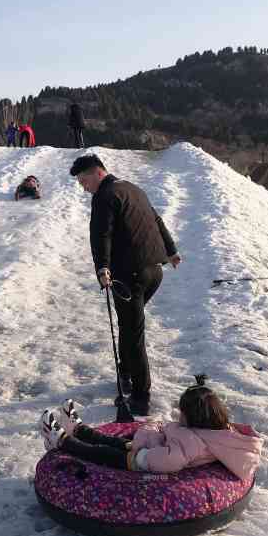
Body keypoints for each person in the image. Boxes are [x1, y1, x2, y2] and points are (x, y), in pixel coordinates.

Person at [70, 153, 181, 415]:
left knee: (133, 333)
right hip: (155, 271)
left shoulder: (105, 196)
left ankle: (141, 397)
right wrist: (171, 250)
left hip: (131, 275)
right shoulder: (133, 188)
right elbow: (156, 220)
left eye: (83, 180)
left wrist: (102, 267)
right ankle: (126, 372)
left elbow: (101, 235)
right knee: (128, 324)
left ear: (97, 172)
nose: (83, 187)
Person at [39, 375, 262, 478]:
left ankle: (63, 442)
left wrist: (146, 451)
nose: (179, 415)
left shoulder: (193, 441)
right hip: (150, 448)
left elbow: (170, 459)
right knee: (115, 442)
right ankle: (79, 429)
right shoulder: (215, 431)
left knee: (102, 452)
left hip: (142, 461)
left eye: (181, 412)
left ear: (193, 417)